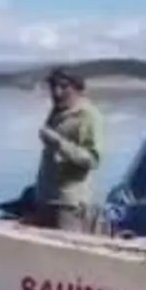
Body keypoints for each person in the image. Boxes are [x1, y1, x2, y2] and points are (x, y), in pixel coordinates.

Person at [29, 66, 104, 231]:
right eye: (53, 86)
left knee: (65, 251)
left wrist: (58, 143)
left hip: (69, 204)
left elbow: (92, 160)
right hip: (46, 198)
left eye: (64, 87)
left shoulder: (87, 116)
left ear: (78, 88)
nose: (57, 92)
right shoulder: (57, 112)